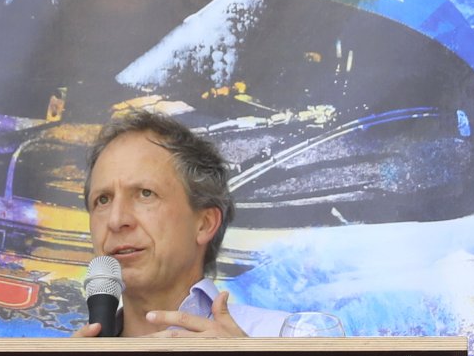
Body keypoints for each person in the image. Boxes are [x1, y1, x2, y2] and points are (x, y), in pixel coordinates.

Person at [73, 110, 335, 338]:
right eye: (103, 200)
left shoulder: (283, 338)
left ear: (205, 224)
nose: (117, 220)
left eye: (145, 194)